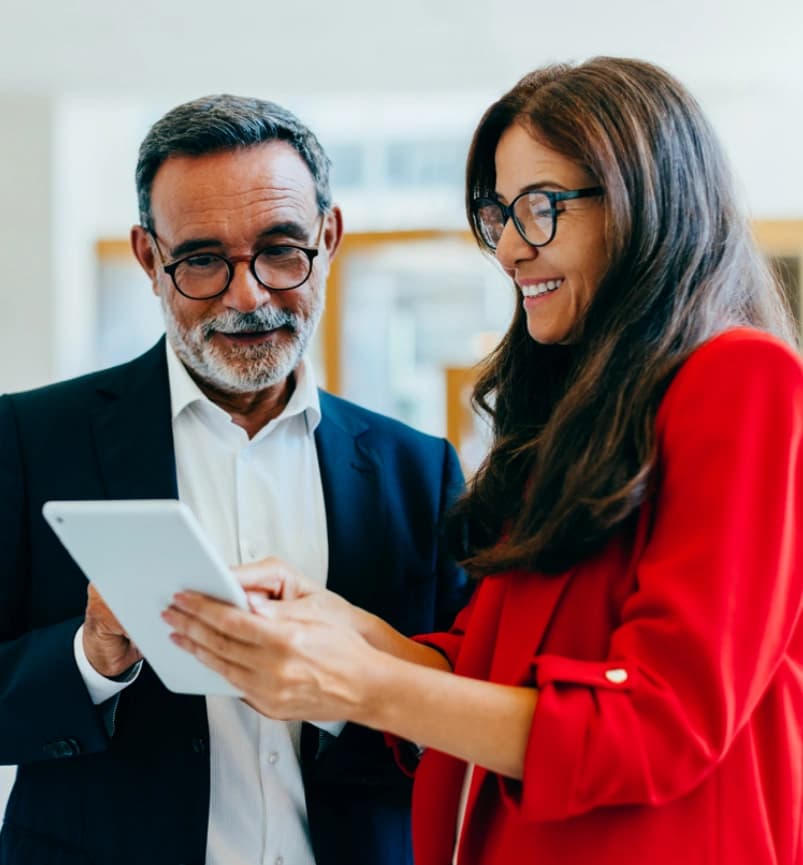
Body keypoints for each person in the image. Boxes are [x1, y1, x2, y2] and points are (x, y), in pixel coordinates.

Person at [164, 58, 803, 865]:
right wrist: (347, 628)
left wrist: (360, 685)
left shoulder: (740, 377)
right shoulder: (574, 413)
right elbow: (500, 671)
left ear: (646, 202)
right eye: (497, 213)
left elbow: (658, 723)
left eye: (540, 209)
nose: (506, 248)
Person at [0, 94, 469, 865]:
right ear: (150, 258)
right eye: (202, 260)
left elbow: (460, 719)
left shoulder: (419, 471)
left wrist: (355, 676)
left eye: (282, 250)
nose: (247, 296)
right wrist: (91, 655)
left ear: (330, 235)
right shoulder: (30, 438)